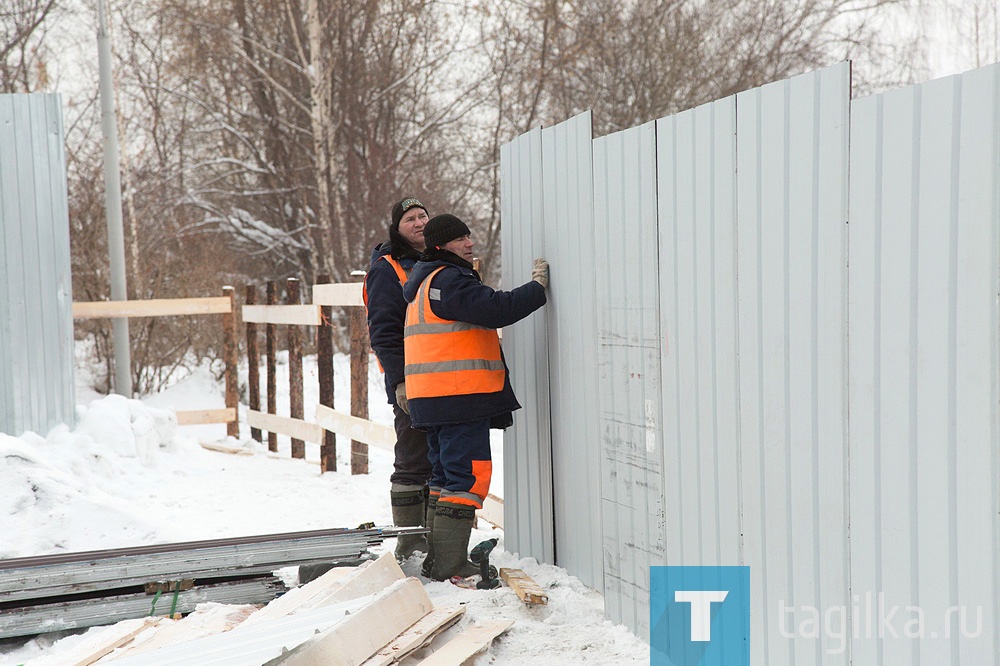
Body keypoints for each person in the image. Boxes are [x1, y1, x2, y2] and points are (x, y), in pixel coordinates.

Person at [401, 214, 549, 580]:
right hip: (457, 397)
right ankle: (451, 564)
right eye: (460, 240)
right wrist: (537, 287)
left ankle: (439, 560)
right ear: (441, 247)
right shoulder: (448, 281)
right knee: (467, 477)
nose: (469, 244)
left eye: (468, 237)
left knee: (445, 476)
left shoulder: (425, 283)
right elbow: (498, 309)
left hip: (435, 399)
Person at [363, 196, 433, 561]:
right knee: (412, 458)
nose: (419, 222)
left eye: (423, 215)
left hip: (442, 380)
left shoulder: (439, 259)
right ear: (397, 227)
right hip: (410, 379)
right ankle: (411, 543)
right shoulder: (387, 269)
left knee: (440, 459)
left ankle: (439, 542)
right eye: (410, 219)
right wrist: (400, 382)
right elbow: (384, 333)